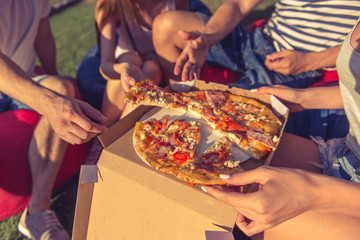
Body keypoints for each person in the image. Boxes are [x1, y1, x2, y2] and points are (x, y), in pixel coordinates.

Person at [201, 17, 360, 240]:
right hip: (346, 155)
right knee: (209, 165)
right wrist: (304, 99)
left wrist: (311, 192)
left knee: (232, 227)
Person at [152, 0, 360, 140]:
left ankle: (186, 130)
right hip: (260, 40)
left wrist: (308, 61)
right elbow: (239, 4)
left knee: (232, 114)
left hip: (305, 65)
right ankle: (179, 104)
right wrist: (208, 38)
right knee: (166, 26)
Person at [0, 1, 107, 239]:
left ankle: (37, 210)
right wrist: (46, 101)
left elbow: (44, 36)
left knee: (61, 88)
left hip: (25, 77)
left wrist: (55, 79)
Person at [77, 0, 212, 127]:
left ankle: (115, 134)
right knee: (129, 60)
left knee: (151, 68)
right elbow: (105, 66)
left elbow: (181, 43)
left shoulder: (175, 3)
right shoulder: (111, 5)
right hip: (126, 65)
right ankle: (104, 129)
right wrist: (121, 68)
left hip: (160, 64)